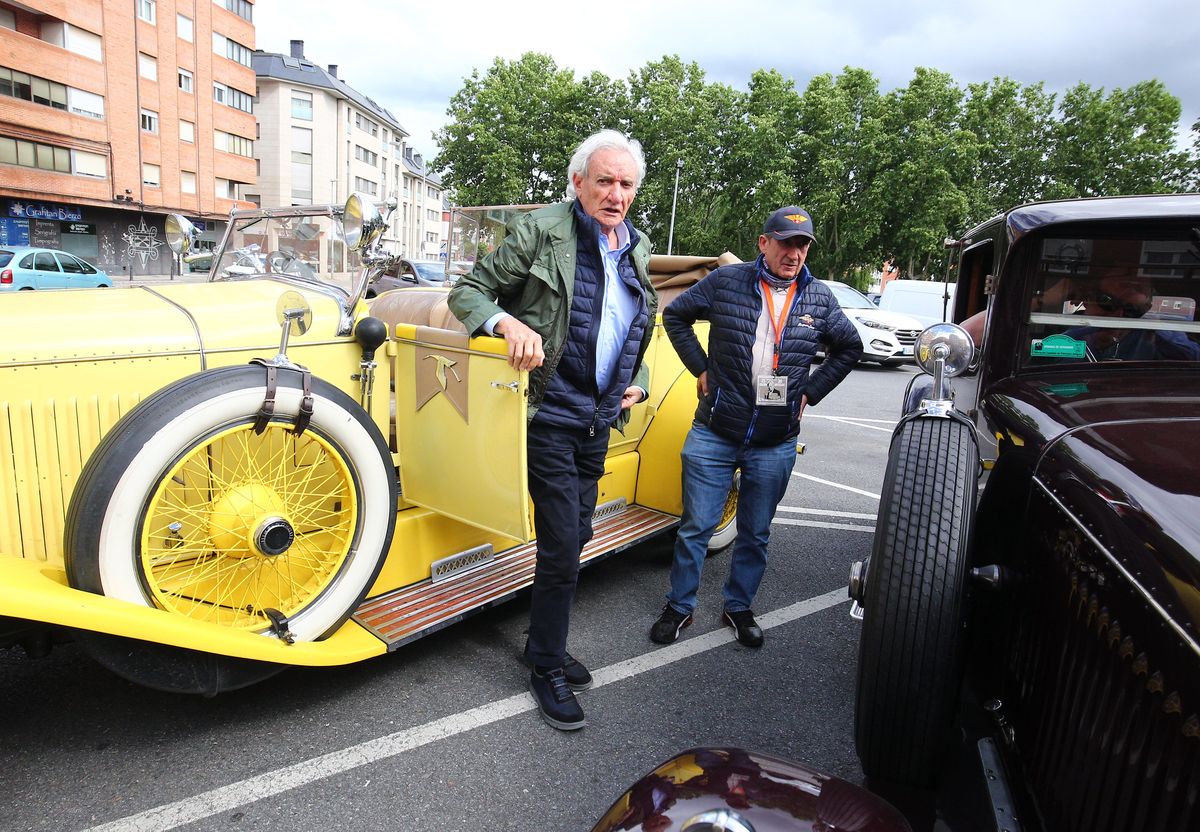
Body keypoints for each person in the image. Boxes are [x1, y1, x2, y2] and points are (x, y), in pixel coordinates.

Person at [448, 130, 657, 731]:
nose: (616, 194)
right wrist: (505, 324)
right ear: (578, 182)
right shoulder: (541, 230)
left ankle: (545, 639)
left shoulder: (637, 245)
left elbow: (634, 323)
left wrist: (637, 380)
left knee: (575, 536)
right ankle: (546, 665)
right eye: (604, 181)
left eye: (626, 184)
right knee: (565, 542)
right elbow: (469, 292)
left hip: (599, 416)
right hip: (545, 413)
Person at [650, 206, 862, 647]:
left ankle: (739, 606)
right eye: (786, 243)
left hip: (774, 441)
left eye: (802, 245)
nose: (794, 253)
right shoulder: (726, 281)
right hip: (715, 431)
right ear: (764, 243)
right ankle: (679, 606)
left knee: (755, 532)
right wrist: (701, 367)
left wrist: (811, 391)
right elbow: (676, 316)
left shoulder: (819, 298)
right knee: (696, 527)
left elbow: (849, 348)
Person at [1066, 268, 1200, 360]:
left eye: (1130, 309)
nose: (1117, 315)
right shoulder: (1072, 337)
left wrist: (1154, 326)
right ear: (1089, 299)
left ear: (1144, 309)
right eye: (1106, 302)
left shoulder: (1150, 337)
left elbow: (1194, 358)